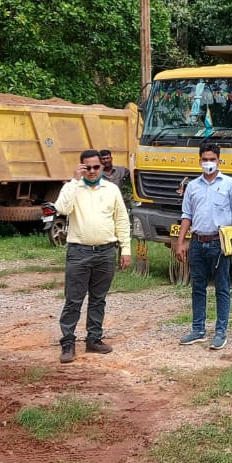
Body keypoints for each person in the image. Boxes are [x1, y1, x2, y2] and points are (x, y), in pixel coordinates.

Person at [54, 149, 132, 364]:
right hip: (79, 252)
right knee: (73, 300)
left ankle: (94, 339)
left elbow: (122, 221)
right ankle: (68, 343)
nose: (91, 171)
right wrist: (73, 181)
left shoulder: (112, 189)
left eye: (96, 167)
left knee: (98, 299)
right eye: (87, 167)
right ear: (81, 167)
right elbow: (61, 208)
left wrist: (125, 249)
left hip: (106, 252)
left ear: (102, 167)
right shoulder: (73, 188)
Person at [173, 141, 232, 351]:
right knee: (198, 287)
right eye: (205, 160)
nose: (208, 163)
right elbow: (186, 215)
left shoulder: (230, 185)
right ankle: (198, 329)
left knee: (222, 287)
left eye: (212, 159)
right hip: (197, 242)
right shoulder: (193, 187)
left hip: (219, 243)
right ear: (199, 161)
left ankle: (220, 332)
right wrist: (181, 242)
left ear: (219, 160)